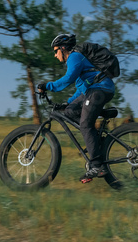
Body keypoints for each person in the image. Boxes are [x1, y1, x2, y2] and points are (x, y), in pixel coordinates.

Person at [37, 34, 115, 183]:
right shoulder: (78, 61)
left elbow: (68, 79)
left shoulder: (74, 57)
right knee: (70, 111)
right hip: (94, 90)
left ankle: (97, 165)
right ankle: (96, 141)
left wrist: (48, 86)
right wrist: (67, 103)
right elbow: (81, 89)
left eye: (55, 51)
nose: (55, 55)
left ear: (63, 48)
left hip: (99, 89)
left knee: (85, 125)